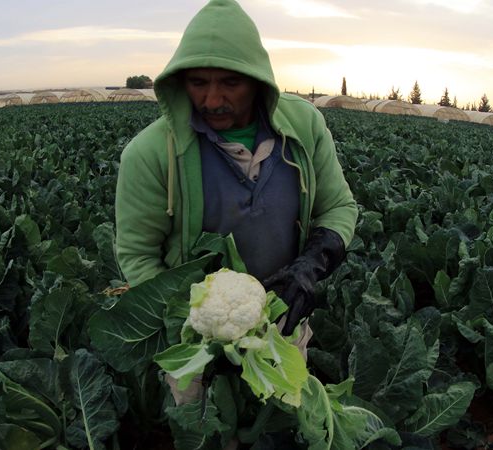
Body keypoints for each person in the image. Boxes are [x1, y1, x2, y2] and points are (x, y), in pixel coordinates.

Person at [115, 0, 357, 337]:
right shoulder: (149, 153)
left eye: (230, 83)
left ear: (257, 81)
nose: (212, 100)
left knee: (286, 392)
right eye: (198, 83)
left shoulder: (304, 126)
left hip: (284, 326)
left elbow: (339, 207)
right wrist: (191, 326)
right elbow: (137, 254)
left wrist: (311, 264)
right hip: (192, 341)